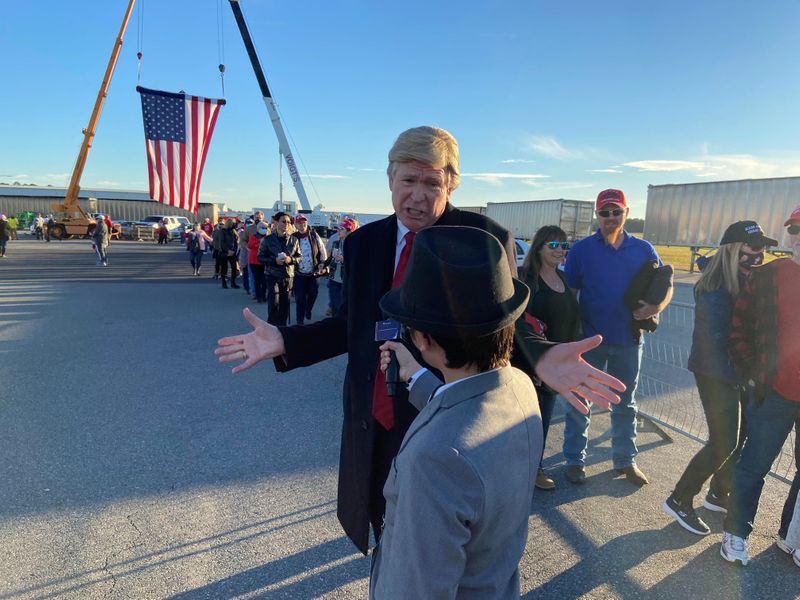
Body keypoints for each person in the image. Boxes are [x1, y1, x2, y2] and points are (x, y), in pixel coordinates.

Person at [215, 126, 623, 555]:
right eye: (408, 181)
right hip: (373, 414)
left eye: (432, 183)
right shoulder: (363, 244)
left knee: (434, 543)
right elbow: (353, 323)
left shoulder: (483, 240)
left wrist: (540, 358)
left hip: (443, 418)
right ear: (390, 180)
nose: (418, 195)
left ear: (451, 184)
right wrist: (285, 340)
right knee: (380, 517)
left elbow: (503, 329)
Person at [369, 225, 541, 598]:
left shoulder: (435, 459)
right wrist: (414, 376)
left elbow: (415, 588)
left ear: (423, 339)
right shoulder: (519, 387)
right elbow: (468, 413)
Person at [662, 221, 777, 536]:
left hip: (734, 373)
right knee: (723, 440)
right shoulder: (715, 286)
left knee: (737, 438)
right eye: (754, 249)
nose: (760, 255)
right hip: (716, 374)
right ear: (734, 250)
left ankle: (718, 493)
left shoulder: (742, 277)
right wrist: (747, 372)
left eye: (763, 250)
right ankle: (680, 498)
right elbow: (716, 342)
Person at [562, 188, 672, 486]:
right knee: (579, 400)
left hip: (628, 340)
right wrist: (567, 337)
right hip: (589, 341)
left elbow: (665, 284)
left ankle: (625, 460)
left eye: (616, 212)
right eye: (604, 213)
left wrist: (655, 306)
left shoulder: (644, 249)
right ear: (597, 215)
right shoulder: (582, 250)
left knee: (625, 402)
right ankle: (574, 460)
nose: (610, 218)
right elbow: (570, 294)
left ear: (626, 212)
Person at [720, 206, 800, 566]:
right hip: (774, 393)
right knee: (754, 466)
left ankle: (791, 536)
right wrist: (751, 374)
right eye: (796, 227)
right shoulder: (767, 276)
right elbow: (739, 330)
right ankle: (735, 533)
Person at [514, 225, 580, 491]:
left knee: (543, 419)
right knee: (524, 420)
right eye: (553, 245)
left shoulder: (563, 279)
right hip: (531, 363)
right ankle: (521, 469)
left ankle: (534, 468)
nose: (560, 250)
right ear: (539, 247)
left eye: (564, 245)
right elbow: (520, 324)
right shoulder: (526, 280)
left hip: (558, 364)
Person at [257, 212, 301, 326]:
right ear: (276, 222)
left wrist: (290, 260)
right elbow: (260, 257)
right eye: (283, 221)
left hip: (287, 276)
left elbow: (299, 257)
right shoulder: (267, 240)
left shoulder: (294, 240)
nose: (286, 224)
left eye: (288, 222)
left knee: (285, 304)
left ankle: (282, 329)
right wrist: (274, 261)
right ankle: (271, 328)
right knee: (273, 303)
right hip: (272, 275)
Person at [292, 214, 328, 325]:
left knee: (313, 294)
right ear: (295, 225)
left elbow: (322, 249)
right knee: (300, 297)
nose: (302, 225)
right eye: (299, 223)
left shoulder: (313, 234)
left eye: (304, 223)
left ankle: (308, 309)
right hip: (299, 273)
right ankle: (300, 320)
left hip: (313, 272)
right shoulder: (293, 237)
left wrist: (323, 263)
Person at [324, 219, 357, 316]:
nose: (338, 231)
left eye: (341, 229)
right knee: (335, 304)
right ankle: (336, 326)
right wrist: (324, 264)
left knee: (344, 306)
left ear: (349, 231)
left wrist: (344, 259)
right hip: (334, 279)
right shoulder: (336, 243)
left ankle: (343, 326)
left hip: (347, 281)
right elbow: (331, 258)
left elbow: (359, 263)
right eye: (338, 229)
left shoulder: (356, 246)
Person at [248, 221, 269, 303]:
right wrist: (259, 242)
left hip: (264, 261)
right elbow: (250, 245)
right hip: (254, 261)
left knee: (264, 281)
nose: (264, 230)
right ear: (258, 228)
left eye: (266, 228)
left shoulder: (268, 237)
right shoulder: (254, 236)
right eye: (262, 228)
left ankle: (263, 296)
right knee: (257, 280)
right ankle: (258, 296)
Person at [217, 219, 240, 289]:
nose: (234, 225)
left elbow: (236, 242)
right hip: (224, 252)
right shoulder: (222, 231)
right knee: (224, 268)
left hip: (232, 252)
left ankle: (233, 282)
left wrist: (234, 250)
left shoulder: (233, 231)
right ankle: (224, 282)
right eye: (233, 224)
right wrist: (228, 251)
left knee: (234, 268)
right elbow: (222, 243)